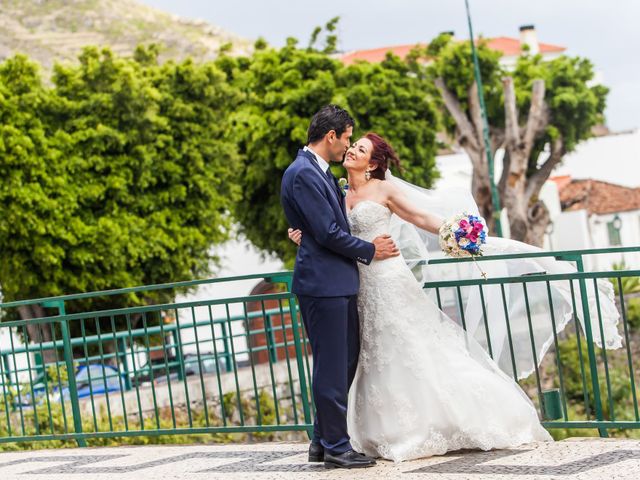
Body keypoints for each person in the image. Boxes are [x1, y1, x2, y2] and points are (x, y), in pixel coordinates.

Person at [287, 132, 557, 462]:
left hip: (387, 277)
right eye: (352, 144)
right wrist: (303, 235)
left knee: (410, 344)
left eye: (360, 149)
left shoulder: (383, 189)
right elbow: (329, 231)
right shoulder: (338, 190)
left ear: (372, 163)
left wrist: (453, 232)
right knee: (369, 356)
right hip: (357, 283)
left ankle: (441, 420)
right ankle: (369, 431)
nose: (351, 150)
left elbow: (418, 217)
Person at [280, 106, 400, 469]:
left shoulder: (320, 172)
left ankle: (321, 440)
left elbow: (322, 227)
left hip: (337, 281)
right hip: (323, 285)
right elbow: (330, 233)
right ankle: (335, 445)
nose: (348, 144)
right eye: (347, 137)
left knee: (344, 362)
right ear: (331, 135)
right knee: (332, 367)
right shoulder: (302, 173)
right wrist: (370, 250)